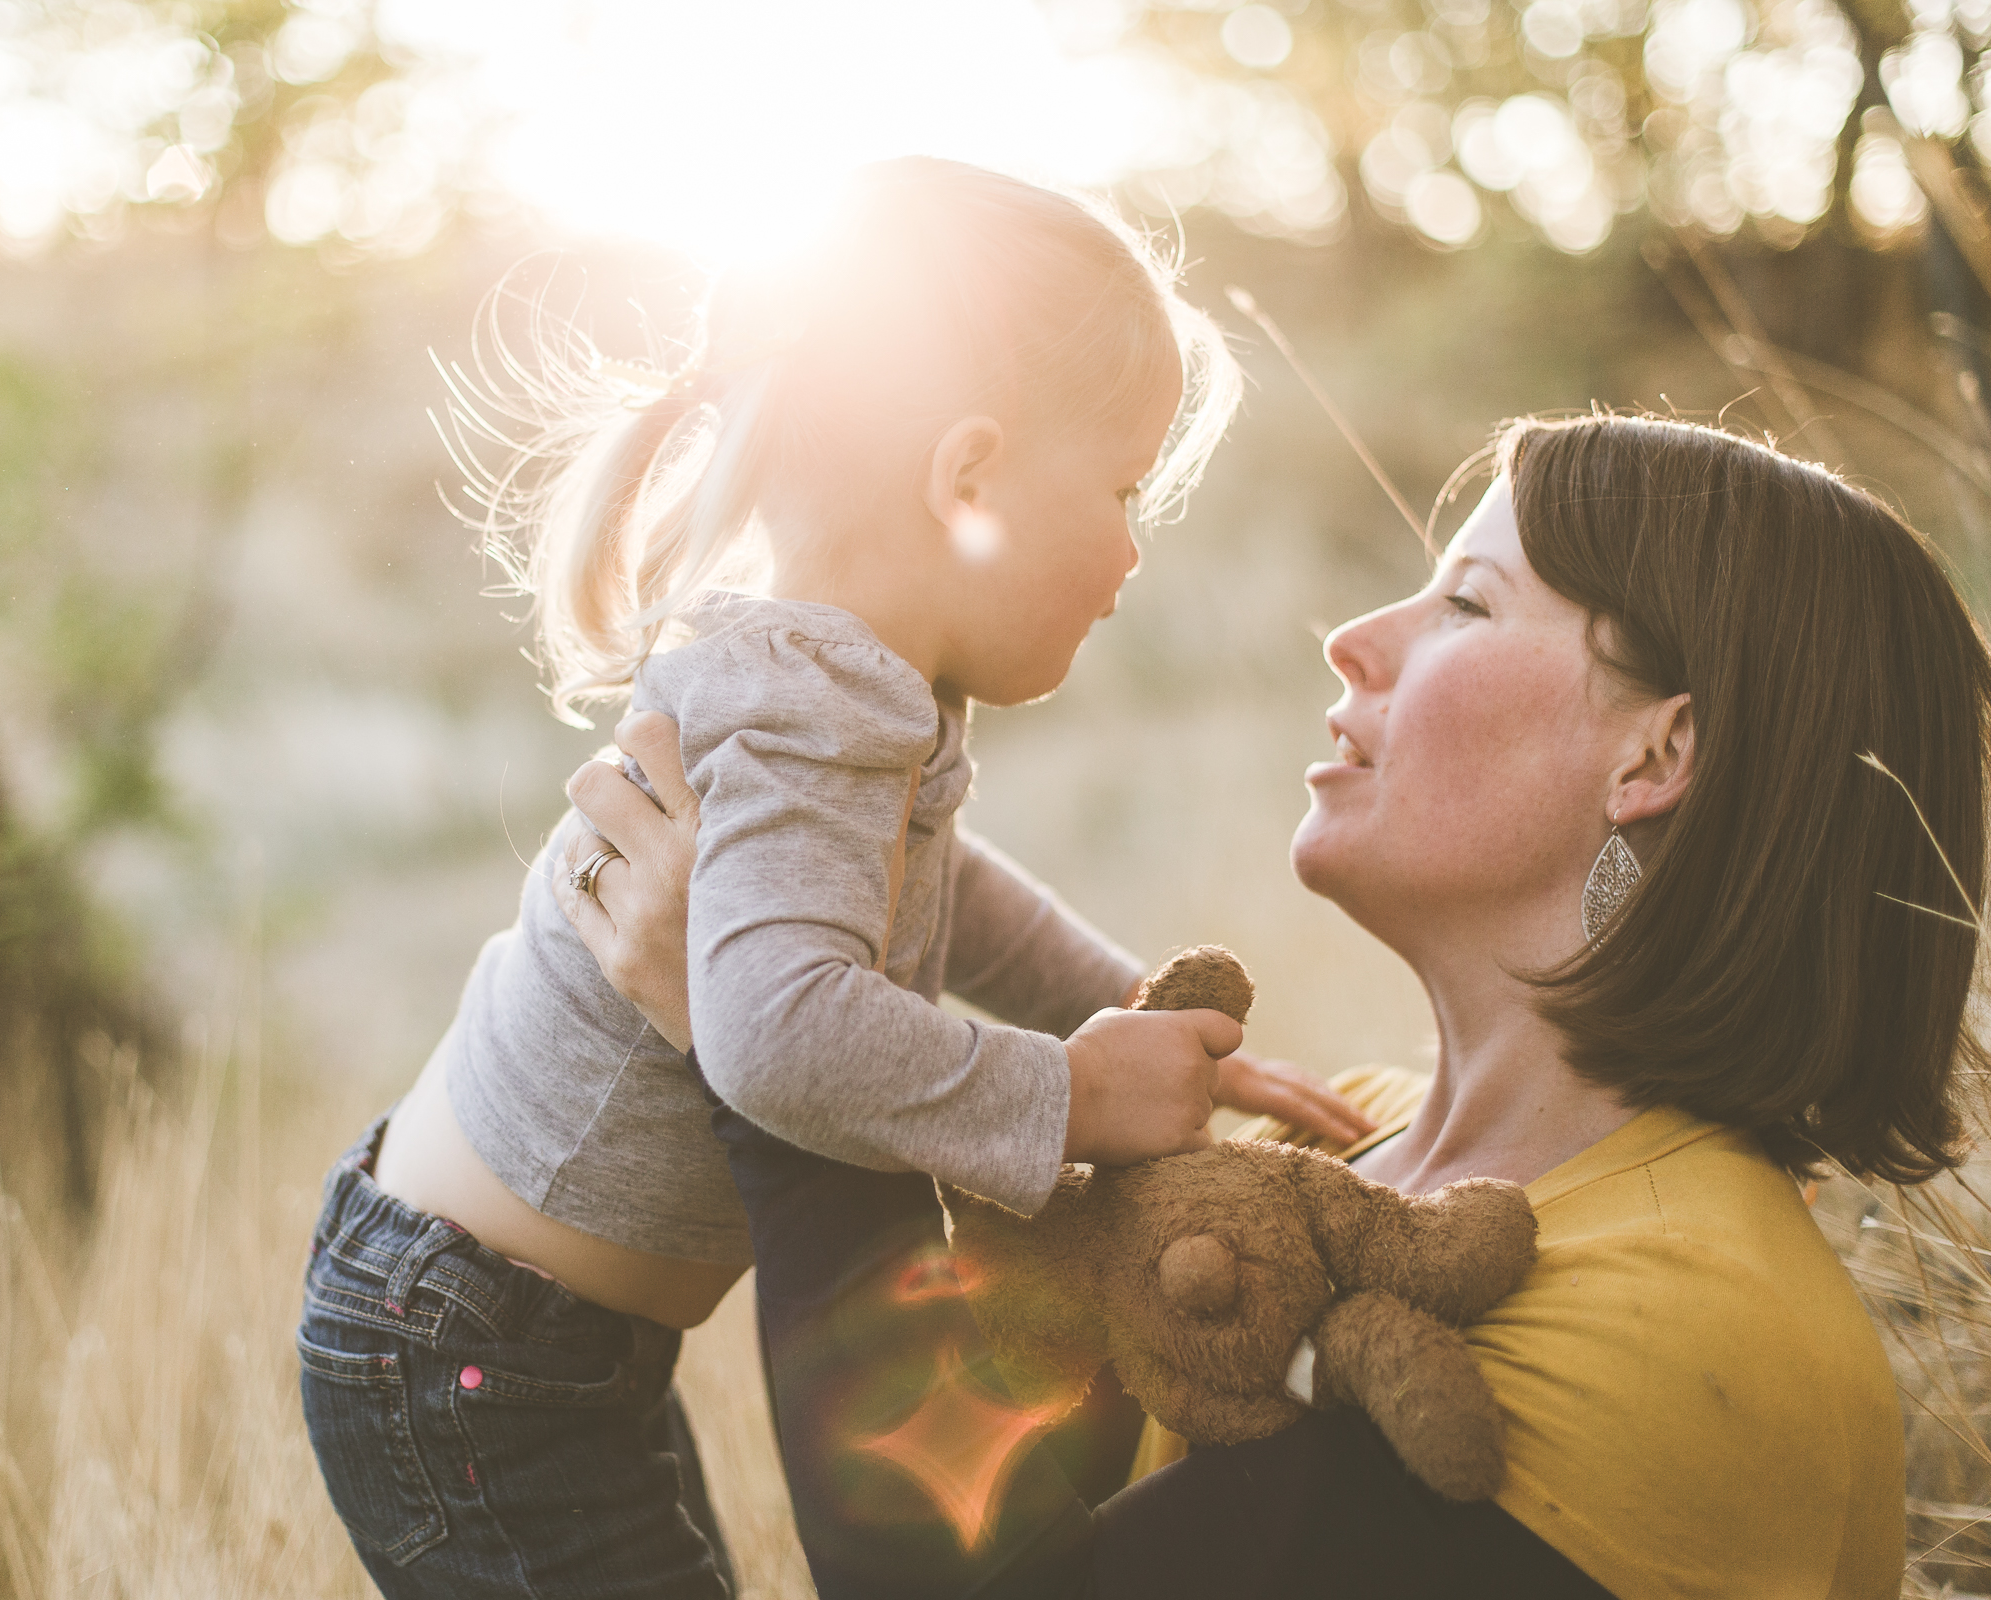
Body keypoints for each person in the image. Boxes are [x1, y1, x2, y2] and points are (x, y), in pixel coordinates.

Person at [559, 414, 1991, 1598]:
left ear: (1657, 759)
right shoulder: (1356, 1157)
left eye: (1468, 600)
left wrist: (776, 1044)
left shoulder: (1685, 1331)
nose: (1356, 637)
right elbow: (996, 1493)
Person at [295, 158, 1375, 1600]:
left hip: (514, 1327)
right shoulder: (815, 702)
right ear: (968, 473)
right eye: (1122, 490)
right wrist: (1075, 1094)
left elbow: (949, 892)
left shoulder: (850, 683)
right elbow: (781, 1032)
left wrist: (1121, 1006)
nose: (1131, 555)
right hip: (472, 1342)